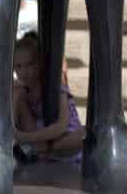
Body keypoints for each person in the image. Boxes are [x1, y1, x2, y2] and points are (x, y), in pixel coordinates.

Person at [12, 32, 84, 166]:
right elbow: (15, 120)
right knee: (17, 96)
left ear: (40, 63)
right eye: (18, 66)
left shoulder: (55, 86)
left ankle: (44, 150)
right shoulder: (21, 90)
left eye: (30, 65)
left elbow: (61, 126)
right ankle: (40, 151)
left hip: (64, 142)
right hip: (40, 144)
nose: (24, 71)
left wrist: (25, 137)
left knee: (84, 133)